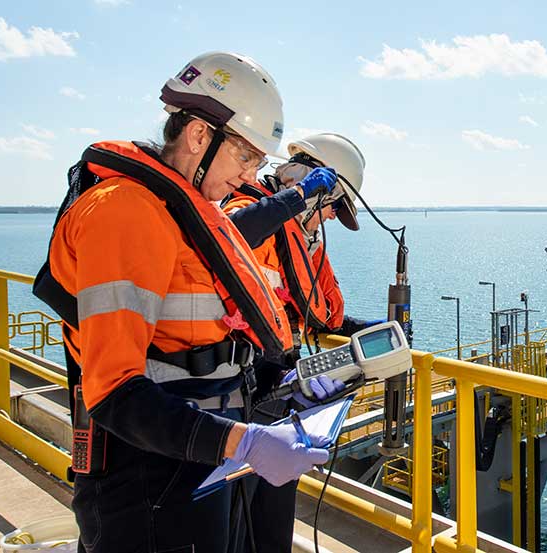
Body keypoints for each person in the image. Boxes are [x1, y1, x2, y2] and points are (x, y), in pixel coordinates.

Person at [33, 51, 337, 553]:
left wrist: (279, 387)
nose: (248, 178)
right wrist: (245, 442)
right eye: (246, 157)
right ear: (199, 135)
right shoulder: (127, 213)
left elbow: (194, 343)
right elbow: (115, 392)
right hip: (147, 479)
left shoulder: (185, 214)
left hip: (196, 461)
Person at [221, 132, 375, 551]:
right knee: (236, 518)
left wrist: (363, 328)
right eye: (329, 208)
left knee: (271, 515)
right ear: (311, 190)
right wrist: (294, 203)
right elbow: (228, 240)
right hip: (239, 390)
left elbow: (320, 311)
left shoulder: (301, 242)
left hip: (278, 389)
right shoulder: (250, 214)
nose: (328, 220)